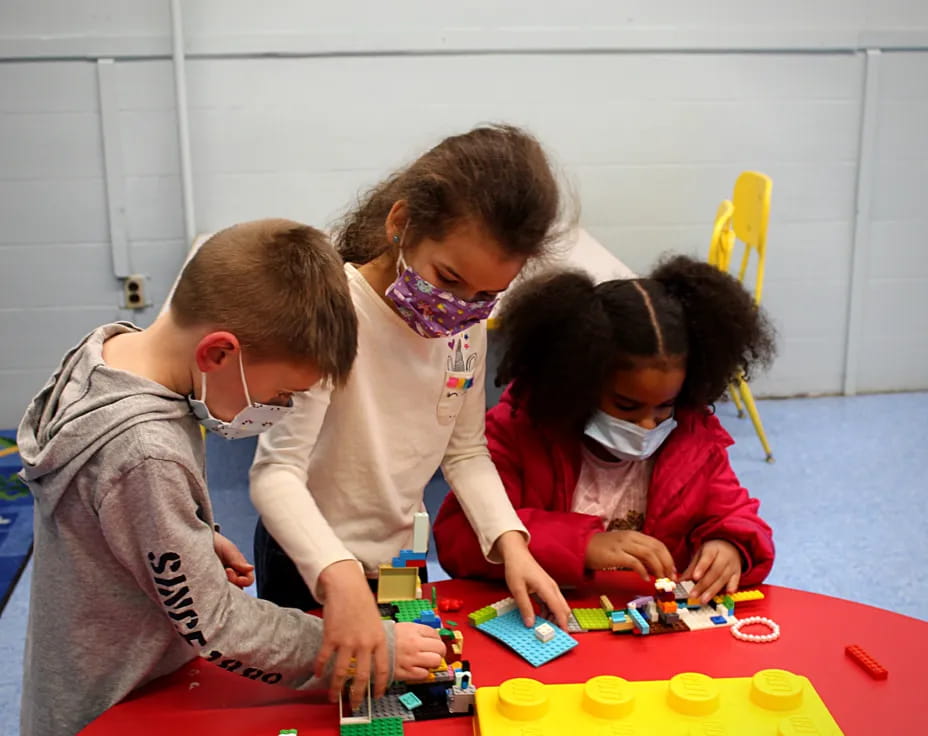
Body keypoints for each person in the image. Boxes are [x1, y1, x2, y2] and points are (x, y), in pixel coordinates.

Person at [16, 220, 444, 736]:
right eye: (283, 392)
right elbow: (215, 624)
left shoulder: (113, 352)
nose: (280, 409)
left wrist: (185, 534)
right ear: (218, 354)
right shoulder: (147, 455)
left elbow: (102, 505)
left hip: (96, 676)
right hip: (117, 708)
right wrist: (369, 645)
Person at [250, 125, 572, 705]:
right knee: (318, 701)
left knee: (403, 691)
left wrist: (512, 543)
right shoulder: (330, 314)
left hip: (398, 554)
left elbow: (465, 450)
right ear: (400, 223)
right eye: (449, 279)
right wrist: (338, 575)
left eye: (486, 296)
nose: (460, 308)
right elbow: (276, 474)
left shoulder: (464, 327)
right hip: (310, 558)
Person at [434, 254, 777, 604]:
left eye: (664, 406)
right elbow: (457, 537)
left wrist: (730, 544)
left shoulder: (693, 438)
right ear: (579, 384)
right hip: (553, 619)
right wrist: (582, 546)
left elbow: (737, 516)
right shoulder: (521, 431)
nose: (647, 425)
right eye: (626, 407)